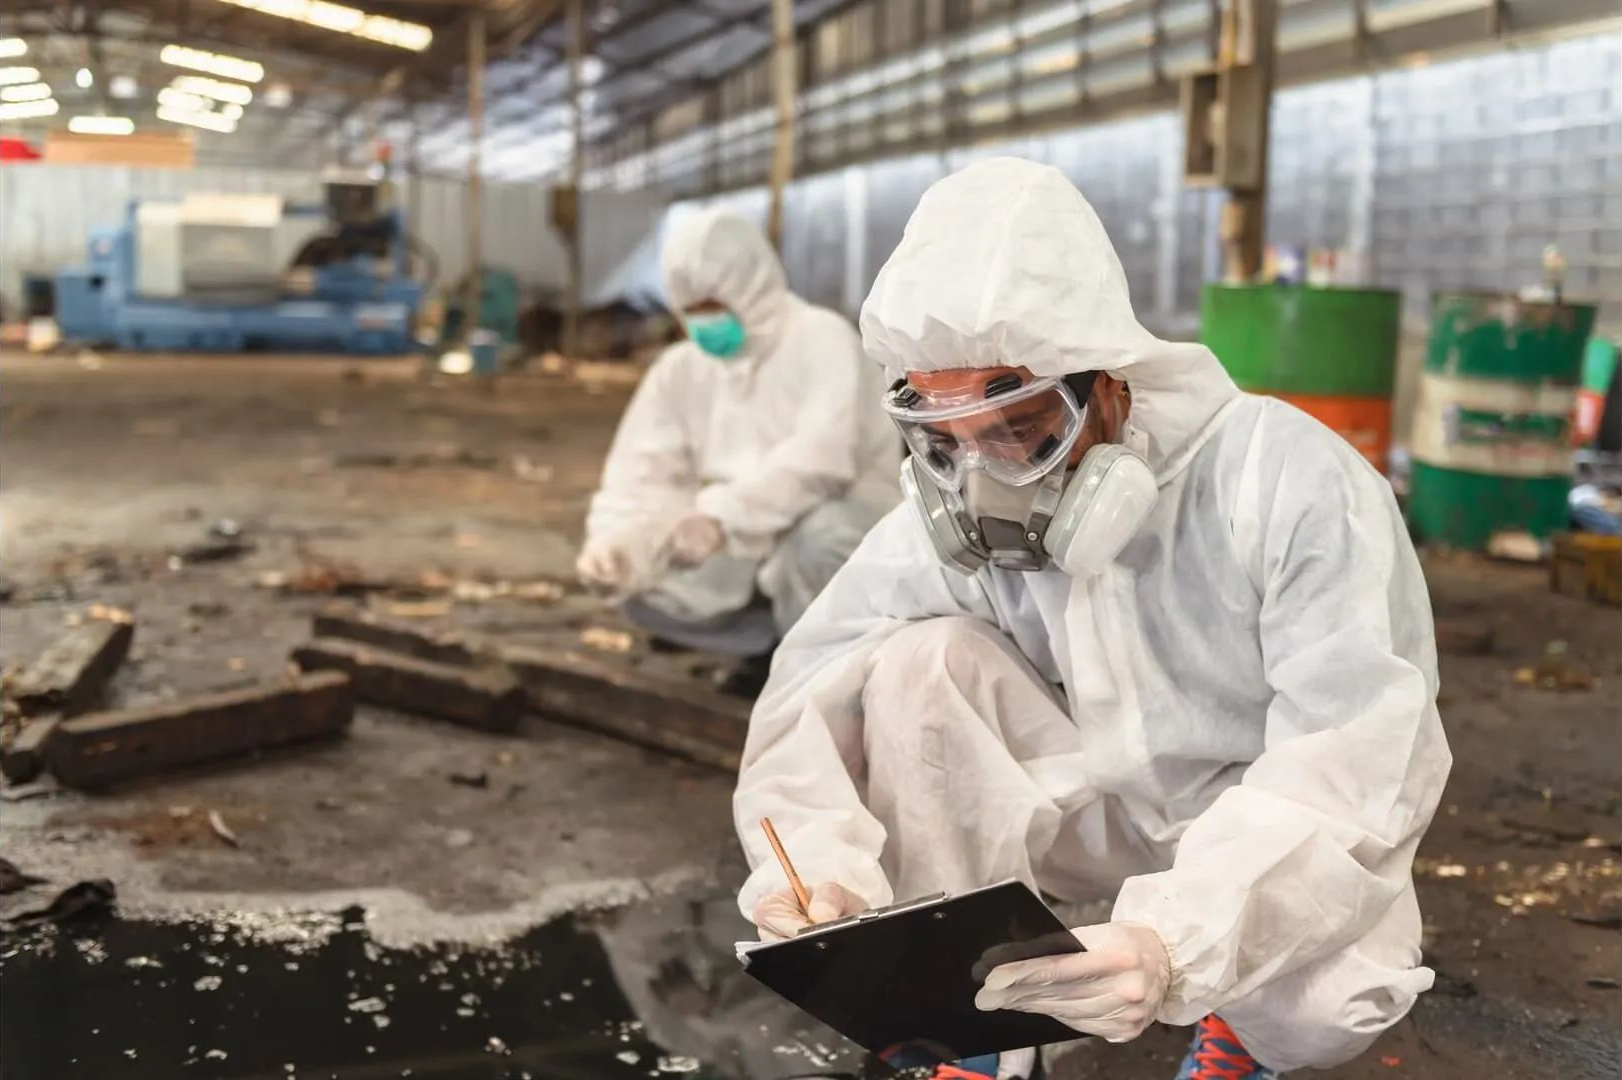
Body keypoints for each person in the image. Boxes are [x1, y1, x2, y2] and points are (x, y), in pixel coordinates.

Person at [733, 158, 1452, 1080]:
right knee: (917, 665)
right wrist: (821, 867)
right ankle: (974, 1028)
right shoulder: (945, 513)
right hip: (1093, 812)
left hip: (1258, 823)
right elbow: (812, 684)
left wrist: (1176, 941)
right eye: (943, 440)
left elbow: (1358, 764)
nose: (983, 476)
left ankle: (1232, 1028)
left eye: (1018, 427)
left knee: (1331, 1001)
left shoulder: (1288, 482)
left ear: (1109, 385)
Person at [576, 209, 898, 683]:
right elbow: (644, 468)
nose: (703, 322)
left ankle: (835, 674)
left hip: (837, 515)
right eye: (691, 310)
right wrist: (618, 541)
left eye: (713, 304)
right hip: (741, 527)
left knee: (818, 540)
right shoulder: (682, 368)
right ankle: (773, 653)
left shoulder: (821, 339)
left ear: (750, 287)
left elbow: (822, 459)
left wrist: (722, 517)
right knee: (641, 579)